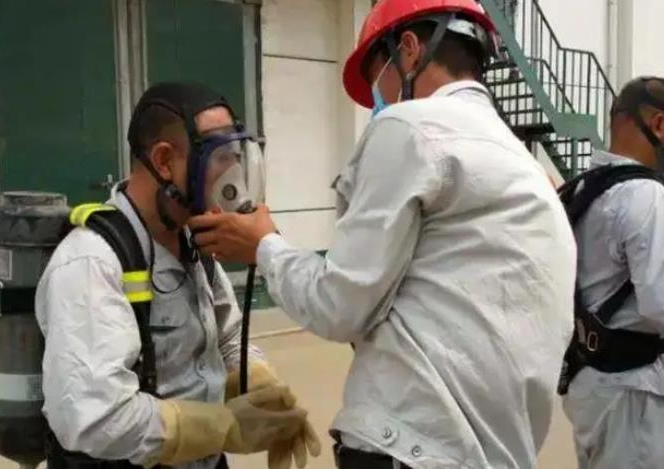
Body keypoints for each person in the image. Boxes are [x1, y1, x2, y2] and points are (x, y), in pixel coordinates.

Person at [189, 1, 576, 468]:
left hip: (413, 445)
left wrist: (264, 245)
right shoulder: (522, 164)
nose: (380, 100)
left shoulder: (410, 127)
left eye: (378, 78)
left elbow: (338, 306)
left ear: (409, 49)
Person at [36, 82, 320, 469]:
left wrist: (260, 385)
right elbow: (94, 417)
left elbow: (227, 337)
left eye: (236, 156)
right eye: (220, 157)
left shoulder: (193, 241)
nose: (234, 174)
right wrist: (223, 427)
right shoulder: (91, 261)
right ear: (165, 160)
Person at [561, 77, 664, 469]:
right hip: (635, 393)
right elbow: (660, 303)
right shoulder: (646, 194)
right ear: (658, 125)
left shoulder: (583, 189)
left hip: (592, 385)